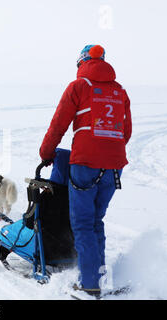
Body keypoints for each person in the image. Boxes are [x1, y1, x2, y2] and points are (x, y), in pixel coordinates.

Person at [39, 45, 132, 297]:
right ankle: (98, 277)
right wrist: (109, 153)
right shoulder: (120, 91)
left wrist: (47, 153)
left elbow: (59, 124)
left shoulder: (78, 87)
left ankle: (89, 283)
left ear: (81, 63)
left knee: (81, 223)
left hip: (84, 165)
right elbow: (126, 132)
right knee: (95, 221)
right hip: (114, 168)